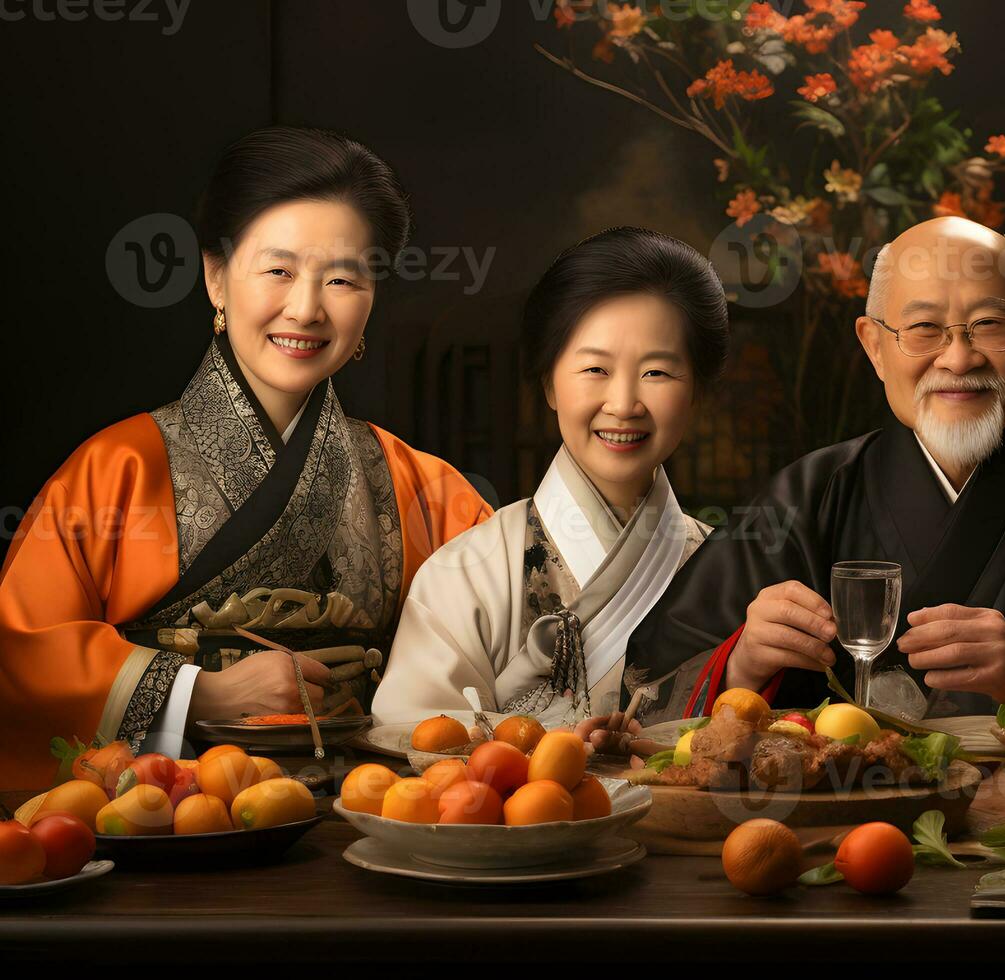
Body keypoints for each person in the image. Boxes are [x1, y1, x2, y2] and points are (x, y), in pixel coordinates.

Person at [0, 127, 489, 790]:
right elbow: (20, 654)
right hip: (160, 827)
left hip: (368, 826)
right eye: (279, 270)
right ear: (216, 277)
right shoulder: (114, 471)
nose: (307, 308)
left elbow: (510, 651)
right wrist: (198, 695)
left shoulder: (424, 486)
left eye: (343, 277)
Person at [622, 216, 1005, 722]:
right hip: (836, 852)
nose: (957, 357)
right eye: (923, 328)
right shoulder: (805, 498)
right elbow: (646, 688)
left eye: (991, 326)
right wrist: (743, 664)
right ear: (873, 345)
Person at [372, 228, 726, 729]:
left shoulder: (727, 573)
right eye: (595, 370)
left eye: (657, 373)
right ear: (549, 384)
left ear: (697, 395)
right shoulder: (467, 575)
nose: (623, 404)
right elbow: (415, 740)